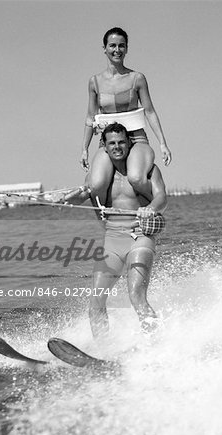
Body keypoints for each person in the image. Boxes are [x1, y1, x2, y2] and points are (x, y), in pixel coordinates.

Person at [69, 123, 167, 338]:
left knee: (136, 296)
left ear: (129, 142)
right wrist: (66, 198)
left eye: (122, 142)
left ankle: (158, 345)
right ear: (104, 146)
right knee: (96, 301)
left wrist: (150, 208)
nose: (117, 147)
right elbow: (82, 194)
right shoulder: (98, 176)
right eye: (112, 143)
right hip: (112, 240)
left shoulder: (148, 169)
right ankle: (103, 351)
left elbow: (161, 197)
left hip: (139, 237)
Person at [80, 27, 171, 205]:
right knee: (97, 184)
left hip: (136, 139)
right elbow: (90, 118)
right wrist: (85, 149)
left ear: (127, 49)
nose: (117, 50)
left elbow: (150, 111)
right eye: (112, 45)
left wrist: (162, 144)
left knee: (136, 178)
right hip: (108, 142)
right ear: (104, 48)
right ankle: (106, 218)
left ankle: (154, 207)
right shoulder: (95, 82)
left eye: (122, 46)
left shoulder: (137, 78)